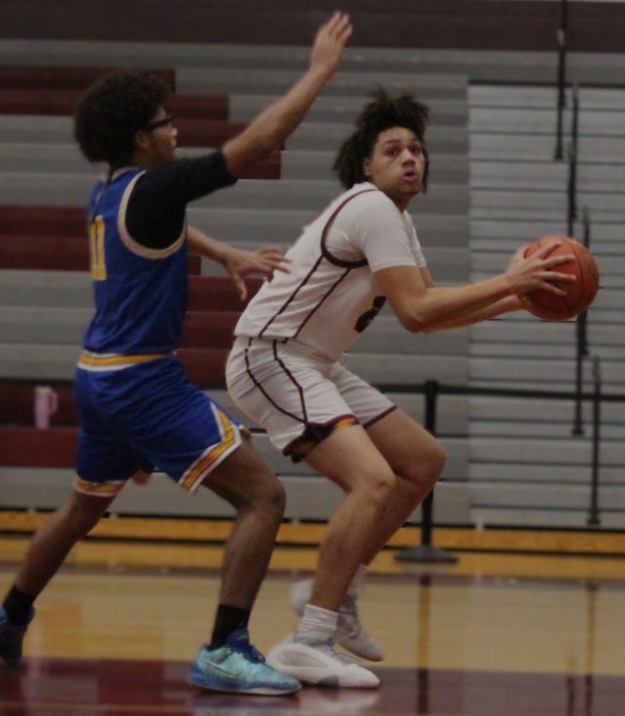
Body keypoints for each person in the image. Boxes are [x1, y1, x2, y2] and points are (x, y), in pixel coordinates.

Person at [0, 12, 353, 696]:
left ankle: (8, 615)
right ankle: (224, 646)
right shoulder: (157, 187)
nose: (175, 129)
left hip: (97, 374)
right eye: (163, 121)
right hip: (143, 381)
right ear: (137, 138)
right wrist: (319, 71)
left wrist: (224, 252)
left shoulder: (110, 193)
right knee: (263, 496)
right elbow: (261, 142)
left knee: (82, 508)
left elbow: (166, 225)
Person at [225, 89, 575, 688]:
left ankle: (338, 591)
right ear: (367, 163)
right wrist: (507, 279)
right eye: (393, 149)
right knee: (374, 480)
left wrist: (514, 299)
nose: (410, 157)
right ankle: (308, 639)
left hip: (315, 361)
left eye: (416, 148)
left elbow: (431, 313)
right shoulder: (370, 209)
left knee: (420, 462)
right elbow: (416, 311)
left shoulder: (398, 221)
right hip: (271, 354)